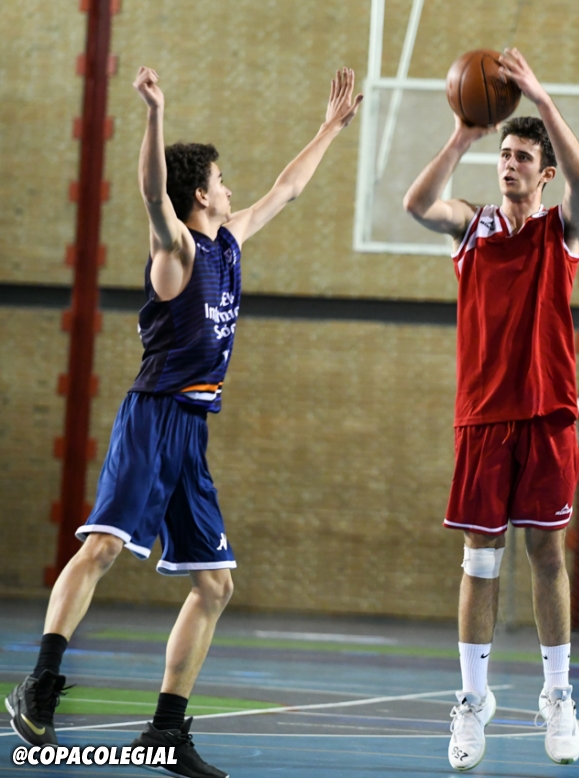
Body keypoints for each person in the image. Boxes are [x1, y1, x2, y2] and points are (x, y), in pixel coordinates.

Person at [5, 65, 362, 778]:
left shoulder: (230, 241)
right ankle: (38, 684)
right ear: (200, 193)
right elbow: (151, 193)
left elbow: (287, 189)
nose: (231, 189)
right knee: (103, 548)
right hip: (153, 418)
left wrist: (329, 128)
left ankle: (165, 732)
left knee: (216, 585)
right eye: (222, 181)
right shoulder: (179, 252)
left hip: (192, 431)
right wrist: (153, 114)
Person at [403, 48, 579, 771]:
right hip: (482, 417)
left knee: (546, 553)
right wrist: (463, 135)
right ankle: (472, 702)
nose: (509, 165)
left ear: (544, 175)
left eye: (522, 158)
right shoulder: (473, 227)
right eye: (504, 155)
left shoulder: (561, 230)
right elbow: (417, 204)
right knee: (480, 559)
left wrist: (540, 98)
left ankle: (558, 695)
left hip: (546, 415)